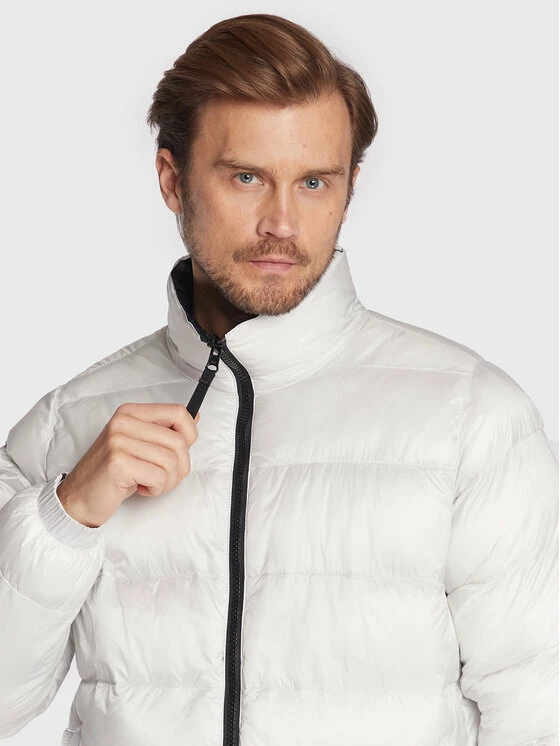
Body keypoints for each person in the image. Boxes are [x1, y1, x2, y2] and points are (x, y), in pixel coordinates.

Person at [0, 12, 557, 746]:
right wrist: (67, 515)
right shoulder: (67, 425)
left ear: (350, 187)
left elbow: (537, 708)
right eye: (246, 177)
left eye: (315, 181)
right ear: (172, 180)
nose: (282, 223)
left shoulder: (470, 418)